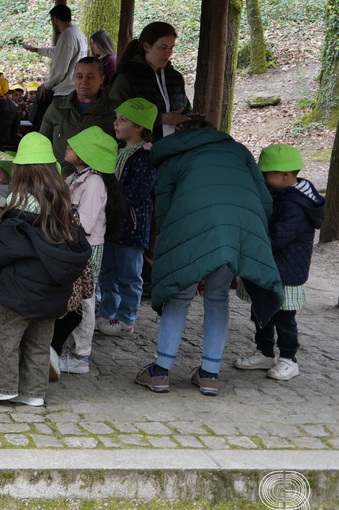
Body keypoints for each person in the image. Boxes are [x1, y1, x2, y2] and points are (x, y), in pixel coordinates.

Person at [135, 119, 282, 397]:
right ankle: (209, 375)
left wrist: (177, 254)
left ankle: (160, 372)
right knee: (217, 296)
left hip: (191, 226)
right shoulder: (238, 151)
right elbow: (264, 199)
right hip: (238, 226)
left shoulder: (173, 155)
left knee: (178, 295)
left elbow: (164, 210)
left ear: (182, 135)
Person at [0, 132, 91, 407]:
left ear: (21, 170)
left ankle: (2, 387)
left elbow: (0, 253)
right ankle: (34, 393)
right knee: (40, 344)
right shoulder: (63, 205)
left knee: (6, 338)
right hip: (53, 291)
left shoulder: (19, 206)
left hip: (19, 291)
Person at [233, 144, 324, 381]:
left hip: (284, 271)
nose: (263, 179)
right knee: (261, 311)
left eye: (266, 174)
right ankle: (265, 352)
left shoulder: (295, 204)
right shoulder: (282, 194)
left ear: (285, 175)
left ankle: (288, 359)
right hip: (270, 268)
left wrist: (249, 241)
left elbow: (276, 238)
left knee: (283, 318)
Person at [53, 127, 123, 375]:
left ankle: (81, 355)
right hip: (76, 244)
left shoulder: (93, 183)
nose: (67, 149)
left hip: (86, 246)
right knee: (75, 298)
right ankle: (69, 348)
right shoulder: (77, 176)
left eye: (72, 147)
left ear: (84, 156)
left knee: (84, 300)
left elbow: (85, 221)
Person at [96, 98, 159, 337]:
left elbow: (137, 191)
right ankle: (108, 313)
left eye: (123, 120)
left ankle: (126, 318)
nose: (116, 123)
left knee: (130, 275)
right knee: (107, 272)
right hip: (110, 224)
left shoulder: (145, 157)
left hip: (131, 227)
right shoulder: (117, 151)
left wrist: (107, 203)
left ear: (139, 126)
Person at [108, 21, 191, 140]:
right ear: (146, 46)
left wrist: (187, 120)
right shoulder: (127, 75)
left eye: (171, 48)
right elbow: (115, 116)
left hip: (176, 150)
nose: (168, 53)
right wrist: (160, 119)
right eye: (163, 47)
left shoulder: (175, 77)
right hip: (142, 151)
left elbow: (185, 108)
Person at [39, 56, 119, 176]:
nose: (84, 81)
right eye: (79, 76)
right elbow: (41, 142)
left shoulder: (114, 111)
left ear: (102, 79)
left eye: (90, 76)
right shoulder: (57, 107)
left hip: (97, 183)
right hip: (58, 181)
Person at [22, 4, 88, 128]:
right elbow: (58, 51)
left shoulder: (67, 35)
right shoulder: (78, 33)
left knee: (57, 130)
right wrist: (37, 50)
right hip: (76, 89)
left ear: (55, 19)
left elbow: (60, 68)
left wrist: (47, 85)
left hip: (64, 92)